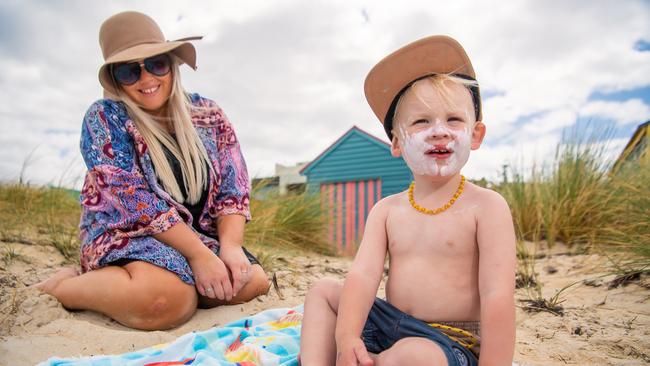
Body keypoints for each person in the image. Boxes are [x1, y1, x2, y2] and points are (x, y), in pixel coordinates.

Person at [37, 11, 270, 330]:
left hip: (199, 236)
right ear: (116, 79)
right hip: (128, 234)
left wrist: (228, 247)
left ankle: (170, 285)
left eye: (156, 64)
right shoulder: (105, 119)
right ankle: (63, 286)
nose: (146, 79)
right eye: (130, 71)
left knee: (253, 280)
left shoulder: (210, 114)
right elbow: (136, 204)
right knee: (164, 303)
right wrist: (200, 257)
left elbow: (234, 190)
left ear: (171, 63)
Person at [300, 35, 516, 365]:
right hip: (391, 325)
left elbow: (498, 297)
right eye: (421, 121)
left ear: (475, 135)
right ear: (398, 143)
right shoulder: (387, 210)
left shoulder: (486, 207)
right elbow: (363, 275)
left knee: (408, 356)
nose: (439, 131)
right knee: (323, 292)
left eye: (453, 120)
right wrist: (346, 337)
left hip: (450, 340)